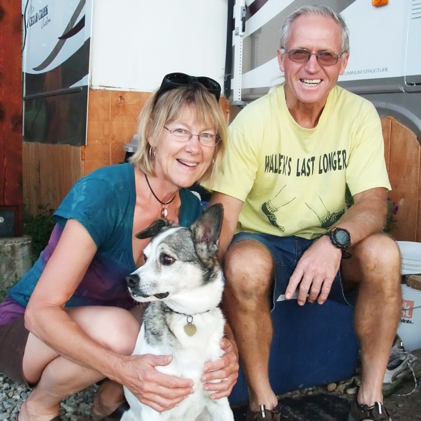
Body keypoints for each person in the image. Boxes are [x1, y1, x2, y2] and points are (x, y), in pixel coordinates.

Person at [0, 72, 239, 421]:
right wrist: (126, 370)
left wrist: (224, 352)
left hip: (112, 329)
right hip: (30, 330)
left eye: (207, 136)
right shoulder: (104, 192)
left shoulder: (188, 207)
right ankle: (39, 405)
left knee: (136, 326)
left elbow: (190, 298)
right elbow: (41, 312)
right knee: (124, 331)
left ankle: (108, 398)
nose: (195, 147)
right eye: (181, 131)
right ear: (154, 132)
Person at [206, 6, 402, 421]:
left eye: (326, 55)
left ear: (343, 63)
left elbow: (373, 203)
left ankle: (370, 398)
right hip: (264, 242)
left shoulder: (359, 115)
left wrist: (334, 242)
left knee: (385, 255)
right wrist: (207, 299)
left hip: (331, 241)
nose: (312, 66)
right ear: (281, 60)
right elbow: (223, 215)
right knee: (243, 266)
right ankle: (262, 402)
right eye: (300, 53)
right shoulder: (253, 122)